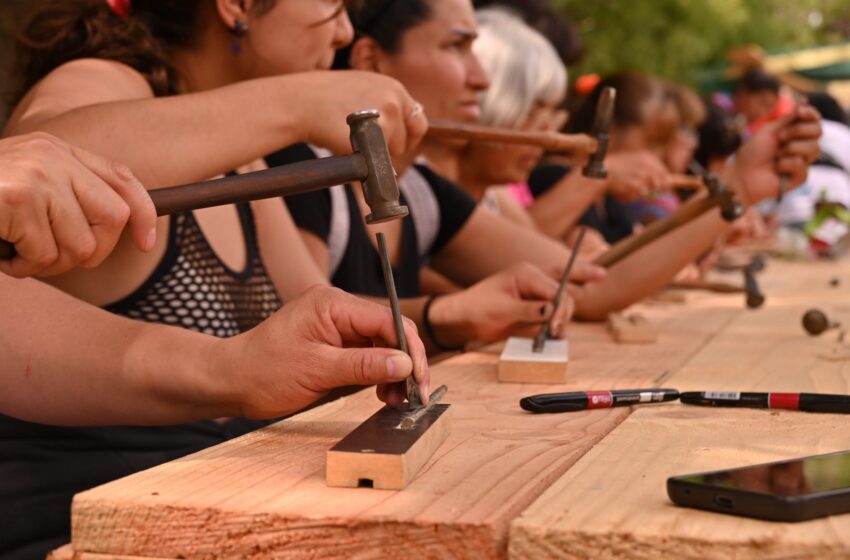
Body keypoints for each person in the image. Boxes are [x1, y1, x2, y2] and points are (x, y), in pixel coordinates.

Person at [340, 0, 820, 320]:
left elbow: (592, 287)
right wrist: (445, 317)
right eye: (455, 46)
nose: (481, 79)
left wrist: (737, 187)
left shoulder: (423, 195)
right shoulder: (309, 178)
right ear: (369, 59)